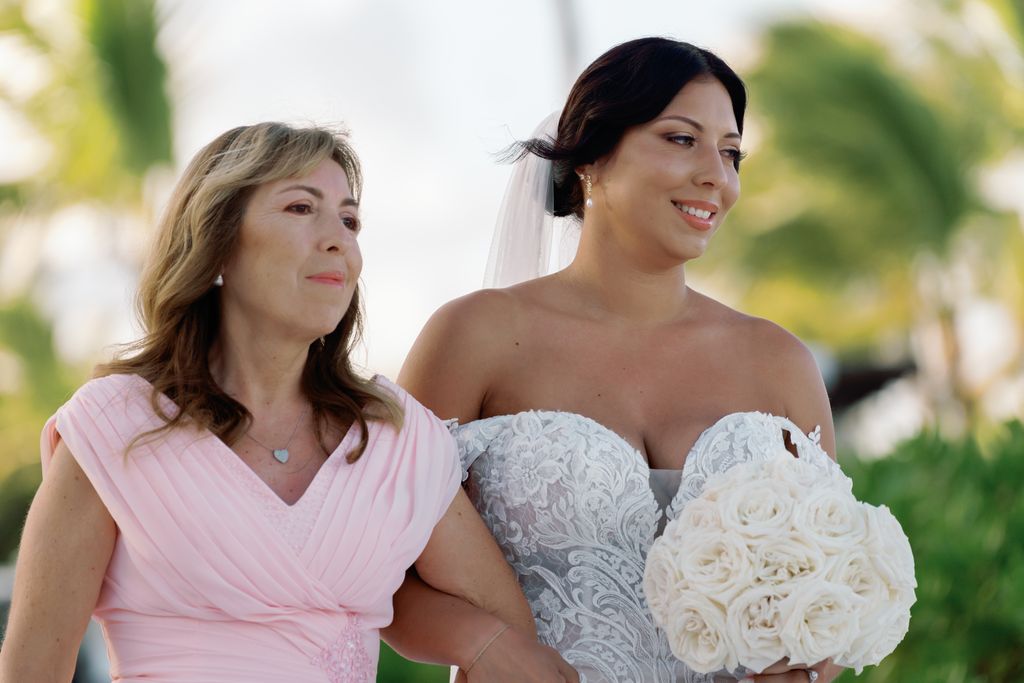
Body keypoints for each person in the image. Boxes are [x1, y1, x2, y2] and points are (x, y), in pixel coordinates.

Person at [0, 122, 576, 683]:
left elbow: (514, 646)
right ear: (217, 244)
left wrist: (477, 639)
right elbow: (33, 669)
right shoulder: (113, 426)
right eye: (301, 208)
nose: (339, 239)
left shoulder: (398, 439)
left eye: (349, 220)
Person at [398, 38, 846, 683]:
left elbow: (830, 586)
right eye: (681, 139)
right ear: (591, 155)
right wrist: (484, 643)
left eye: (731, 153)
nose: (716, 177)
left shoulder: (780, 362)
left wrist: (810, 663)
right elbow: (383, 566)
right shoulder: (475, 336)